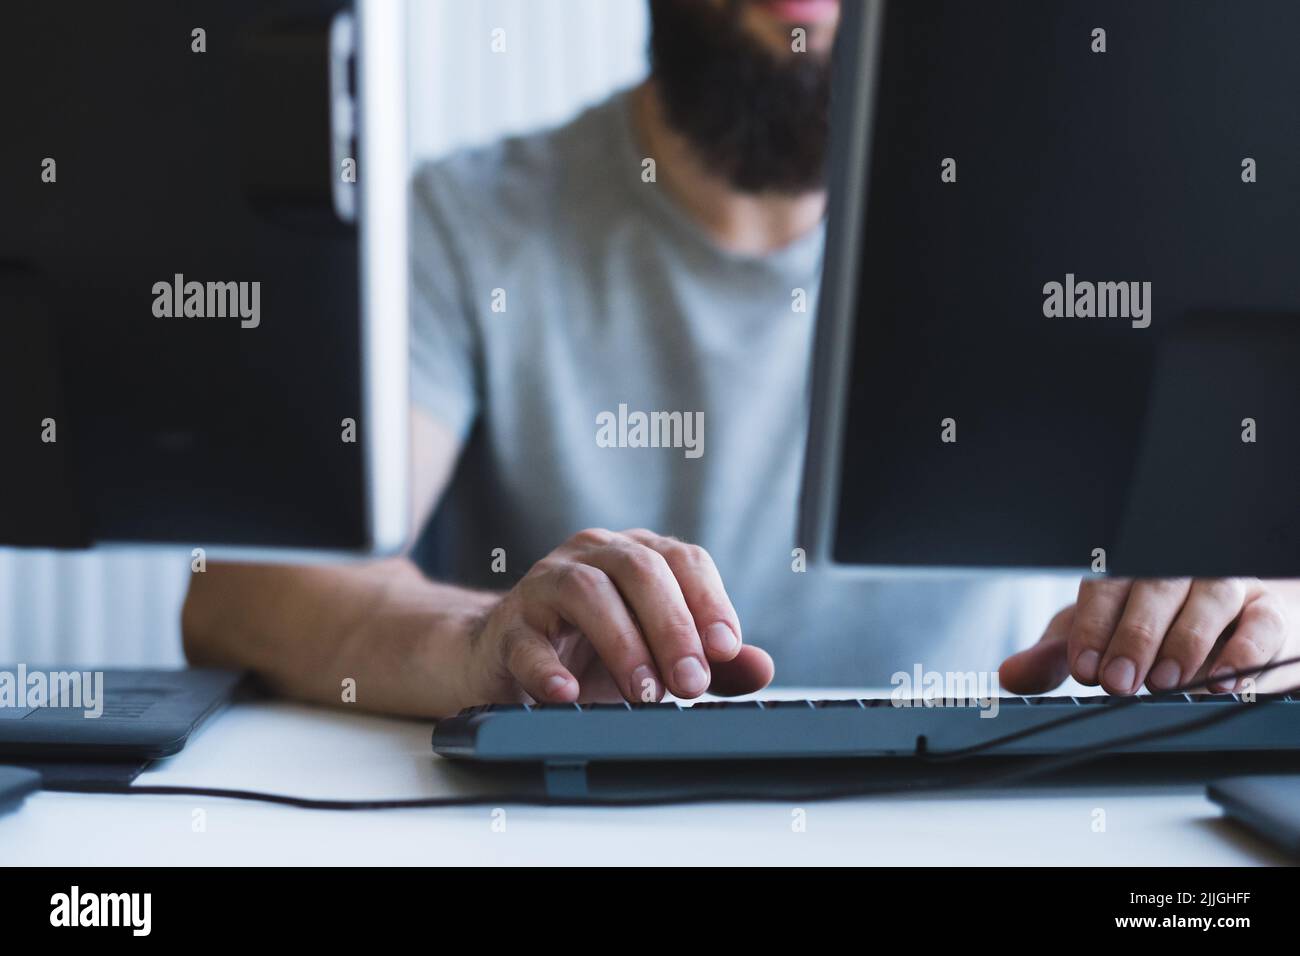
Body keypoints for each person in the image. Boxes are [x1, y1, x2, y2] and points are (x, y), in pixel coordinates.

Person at [182, 0, 1300, 716]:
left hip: (975, 816)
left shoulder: (1072, 224)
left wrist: (1252, 608)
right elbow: (240, 587)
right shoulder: (463, 222)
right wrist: (481, 640)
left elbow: (1253, 556)